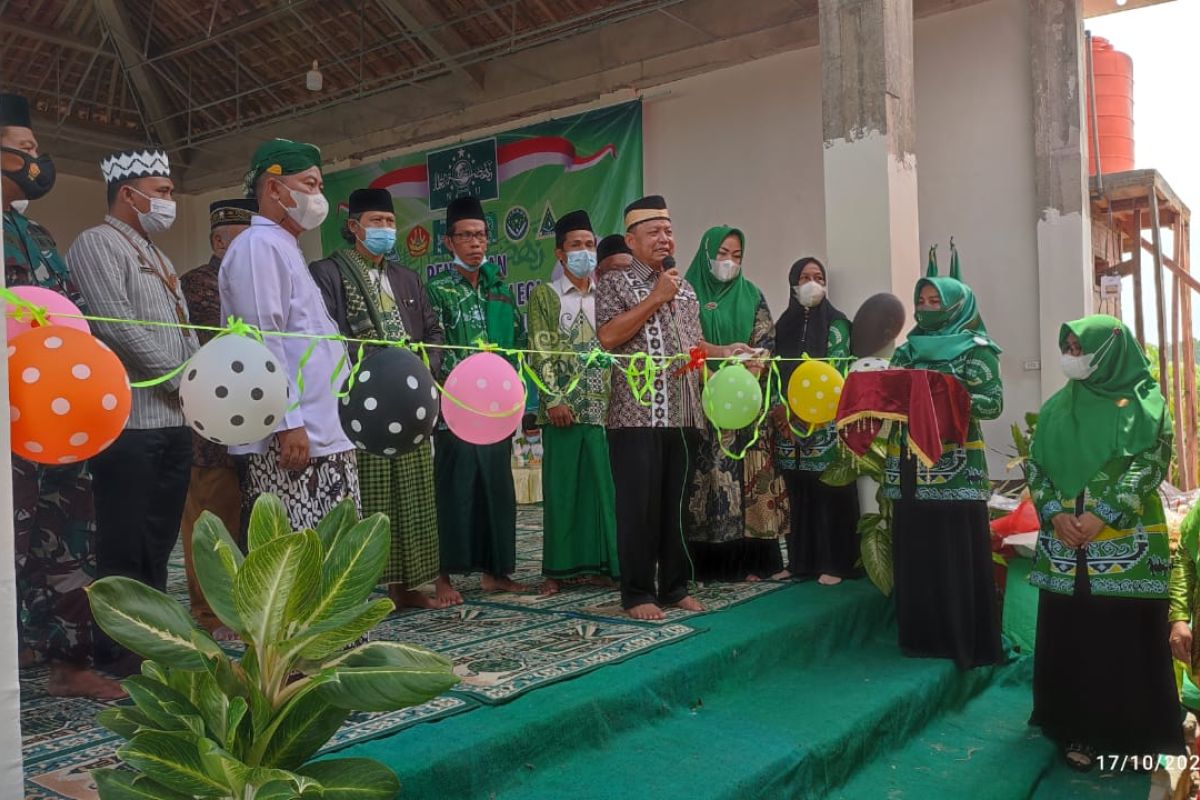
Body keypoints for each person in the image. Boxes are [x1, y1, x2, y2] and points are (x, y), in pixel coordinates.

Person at [2, 93, 121, 698]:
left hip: (57, 424)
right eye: (23, 150)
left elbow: (72, 314)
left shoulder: (37, 233)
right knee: (7, 543)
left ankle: (68, 664)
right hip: (5, 423)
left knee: (70, 538)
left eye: (35, 150)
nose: (35, 162)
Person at [67, 146, 198, 674]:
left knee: (159, 542)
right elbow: (114, 326)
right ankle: (117, 651)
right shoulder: (96, 244)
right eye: (163, 193)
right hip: (130, 422)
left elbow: (185, 332)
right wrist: (179, 378)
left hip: (172, 418)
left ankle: (154, 642)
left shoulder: (158, 255)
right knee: (123, 542)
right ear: (129, 193)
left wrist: (194, 386)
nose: (169, 202)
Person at [1030, 315, 1182, 769]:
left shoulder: (1146, 404)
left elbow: (1152, 462)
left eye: (1081, 349)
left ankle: (1126, 733)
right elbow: (1035, 465)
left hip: (1124, 546)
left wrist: (1103, 515)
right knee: (1072, 633)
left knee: (1118, 636)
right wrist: (1055, 512)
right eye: (1070, 348)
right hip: (1064, 546)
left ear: (1110, 351)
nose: (1072, 357)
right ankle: (1071, 724)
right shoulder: (1058, 406)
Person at [596, 195, 752, 620]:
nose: (664, 239)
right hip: (636, 416)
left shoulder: (685, 288)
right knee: (639, 507)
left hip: (683, 412)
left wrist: (726, 352)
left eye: (668, 230)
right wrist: (654, 297)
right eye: (653, 232)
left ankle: (676, 586)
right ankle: (637, 592)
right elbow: (608, 336)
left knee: (678, 505)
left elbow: (691, 347)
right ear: (631, 240)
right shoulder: (615, 282)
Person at [310, 187, 447, 609]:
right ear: (354, 228)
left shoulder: (407, 278)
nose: (386, 230)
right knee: (369, 497)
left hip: (410, 402)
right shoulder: (328, 273)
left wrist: (422, 374)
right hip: (362, 402)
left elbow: (434, 332)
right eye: (376, 223)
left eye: (390, 222)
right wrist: (373, 376)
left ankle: (407, 586)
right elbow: (328, 336)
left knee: (414, 493)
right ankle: (358, 588)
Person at [219, 138, 358, 531]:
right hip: (296, 438)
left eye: (320, 187)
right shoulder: (257, 246)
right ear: (274, 189)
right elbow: (263, 342)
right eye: (308, 184)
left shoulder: (284, 246)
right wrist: (287, 422)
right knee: (300, 559)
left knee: (334, 555)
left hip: (321, 430)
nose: (317, 196)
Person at [883, 261, 1003, 669]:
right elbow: (892, 399)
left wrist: (947, 395)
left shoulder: (977, 349)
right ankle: (921, 639)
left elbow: (993, 402)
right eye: (921, 301)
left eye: (936, 301)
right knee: (917, 552)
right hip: (910, 469)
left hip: (957, 470)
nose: (927, 307)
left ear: (956, 305)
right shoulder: (907, 349)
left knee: (955, 555)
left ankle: (962, 640)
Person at [426, 195, 526, 603]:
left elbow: (518, 347)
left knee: (497, 488)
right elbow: (432, 349)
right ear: (448, 242)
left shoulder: (499, 292)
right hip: (455, 410)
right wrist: (460, 387)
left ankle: (495, 571)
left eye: (481, 235)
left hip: (497, 412)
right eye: (465, 236)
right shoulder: (437, 291)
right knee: (455, 490)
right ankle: (444, 576)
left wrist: (517, 396)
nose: (475, 244)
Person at [683, 226, 785, 582]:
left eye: (736, 256)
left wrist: (757, 359)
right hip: (703, 402)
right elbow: (684, 343)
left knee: (752, 478)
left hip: (746, 403)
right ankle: (711, 563)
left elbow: (767, 340)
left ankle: (755, 560)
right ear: (707, 252)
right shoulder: (686, 293)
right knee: (708, 480)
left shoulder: (751, 294)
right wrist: (718, 359)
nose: (729, 262)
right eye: (723, 253)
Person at [527, 210, 618, 595]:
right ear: (560, 253)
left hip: (604, 409)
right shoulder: (545, 296)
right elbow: (539, 349)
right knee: (563, 491)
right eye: (576, 246)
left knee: (603, 493)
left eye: (589, 245)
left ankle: (604, 566)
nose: (585, 252)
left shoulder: (608, 295)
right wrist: (553, 399)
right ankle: (557, 571)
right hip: (563, 411)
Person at [179, 198, 254, 638]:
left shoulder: (252, 284)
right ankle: (209, 612)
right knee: (209, 523)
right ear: (218, 240)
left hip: (254, 425)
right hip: (211, 431)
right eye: (242, 241)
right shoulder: (199, 285)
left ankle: (242, 605)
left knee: (247, 521)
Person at [773, 258, 859, 584]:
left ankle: (836, 563)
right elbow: (773, 372)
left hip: (823, 423)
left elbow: (836, 375)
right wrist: (779, 412)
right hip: (786, 427)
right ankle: (800, 562)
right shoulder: (784, 324)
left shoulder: (837, 325)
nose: (812, 283)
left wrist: (798, 411)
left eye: (819, 277)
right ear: (793, 284)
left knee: (829, 494)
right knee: (798, 493)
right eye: (805, 277)